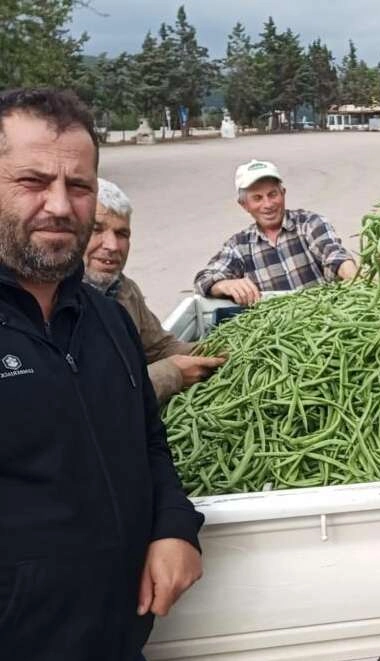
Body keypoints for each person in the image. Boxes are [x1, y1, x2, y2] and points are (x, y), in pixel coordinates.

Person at [0, 88, 203, 660]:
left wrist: (174, 524)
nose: (61, 206)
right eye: (32, 181)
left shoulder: (108, 319)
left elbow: (147, 441)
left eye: (80, 186)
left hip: (120, 639)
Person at [85, 178, 224, 403]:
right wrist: (172, 373)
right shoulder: (52, 300)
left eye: (122, 234)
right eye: (96, 230)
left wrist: (221, 350)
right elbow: (88, 396)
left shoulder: (125, 290)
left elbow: (159, 348)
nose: (112, 245)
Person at [193, 159, 357, 304]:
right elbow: (203, 280)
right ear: (244, 205)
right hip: (273, 325)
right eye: (257, 198)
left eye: (272, 194)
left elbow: (333, 253)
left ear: (283, 194)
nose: (268, 204)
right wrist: (224, 285)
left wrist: (352, 274)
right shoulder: (238, 246)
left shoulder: (309, 223)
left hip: (323, 316)